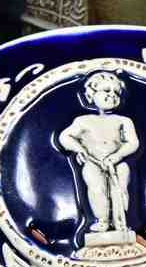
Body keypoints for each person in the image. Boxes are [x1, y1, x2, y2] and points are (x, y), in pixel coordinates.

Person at [58, 72, 139, 234]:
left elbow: (133, 142)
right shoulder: (83, 121)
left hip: (117, 162)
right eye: (107, 91)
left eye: (116, 93)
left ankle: (120, 221)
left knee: (120, 189)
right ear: (91, 95)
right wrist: (79, 149)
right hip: (93, 161)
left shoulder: (123, 121)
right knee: (96, 189)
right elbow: (65, 137)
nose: (112, 95)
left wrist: (117, 156)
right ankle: (102, 220)